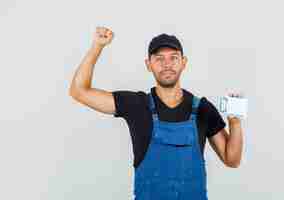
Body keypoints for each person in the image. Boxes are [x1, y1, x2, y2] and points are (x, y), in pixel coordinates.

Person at [69, 26, 244, 200]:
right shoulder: (136, 105)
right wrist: (97, 46)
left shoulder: (203, 109)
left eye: (173, 58)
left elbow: (232, 159)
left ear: (184, 62)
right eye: (159, 58)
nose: (167, 64)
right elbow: (79, 91)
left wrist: (235, 123)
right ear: (148, 64)